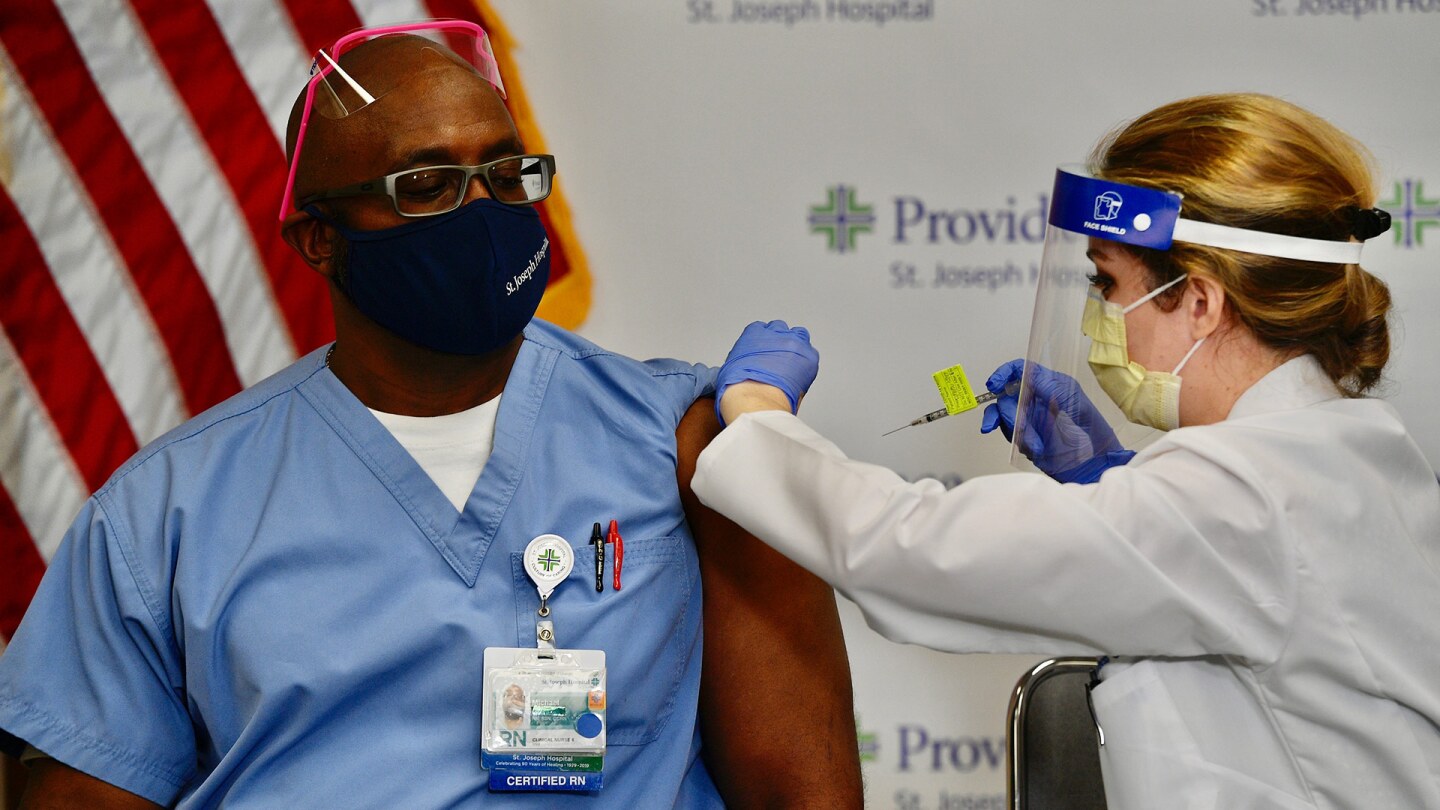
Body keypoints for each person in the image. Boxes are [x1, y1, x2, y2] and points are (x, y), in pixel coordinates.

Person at [0, 21, 861, 809]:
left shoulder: (689, 447)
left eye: (506, 172)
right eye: (426, 184)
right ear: (319, 239)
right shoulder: (164, 519)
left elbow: (805, 793)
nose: (482, 211)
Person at [694, 93, 1440, 807]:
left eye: (1106, 281)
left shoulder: (1245, 496)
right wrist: (1113, 480)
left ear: (1203, 302)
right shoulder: (1347, 453)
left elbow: (913, 552)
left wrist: (757, 418)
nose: (1098, 316)